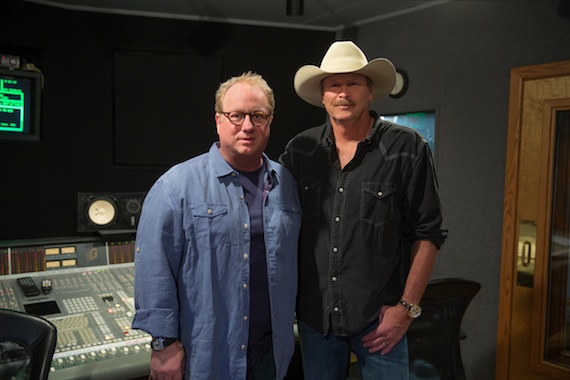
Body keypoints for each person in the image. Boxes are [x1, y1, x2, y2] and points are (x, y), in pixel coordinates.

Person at [279, 40, 448, 379]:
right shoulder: (300, 151)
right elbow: (278, 225)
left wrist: (405, 309)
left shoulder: (407, 147)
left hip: (380, 322)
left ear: (370, 91)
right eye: (334, 85)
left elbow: (428, 234)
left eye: (353, 82)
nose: (343, 92)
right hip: (316, 322)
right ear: (323, 95)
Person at [132, 71, 302, 380]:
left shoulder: (284, 182)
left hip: (273, 354)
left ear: (269, 121)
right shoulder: (175, 187)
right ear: (218, 120)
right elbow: (154, 269)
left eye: (257, 116)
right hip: (207, 357)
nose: (247, 126)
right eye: (236, 115)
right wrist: (163, 344)